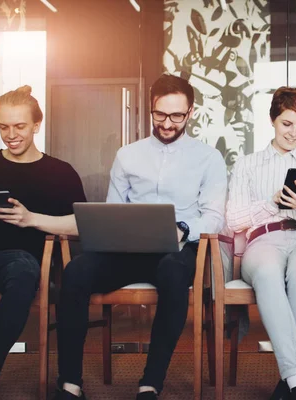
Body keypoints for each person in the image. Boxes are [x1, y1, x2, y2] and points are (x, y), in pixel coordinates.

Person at [53, 74, 227, 400]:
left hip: (179, 251)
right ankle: (70, 383)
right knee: (75, 272)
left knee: (173, 271)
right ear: (150, 109)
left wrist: (182, 228)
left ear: (190, 113)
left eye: (176, 115)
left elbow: (214, 217)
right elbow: (113, 210)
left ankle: (150, 383)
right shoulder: (127, 155)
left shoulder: (208, 158)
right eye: (160, 114)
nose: (167, 123)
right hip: (129, 252)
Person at [0, 86, 86, 400]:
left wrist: (32, 219)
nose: (11, 135)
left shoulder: (60, 172)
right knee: (22, 268)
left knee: (24, 268)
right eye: (3, 127)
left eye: (19, 126)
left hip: (26, 264)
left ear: (37, 125)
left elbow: (81, 225)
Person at [226, 87, 296, 400]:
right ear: (273, 120)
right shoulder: (248, 164)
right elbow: (234, 220)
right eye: (287, 124)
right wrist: (274, 203)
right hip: (263, 240)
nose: (294, 133)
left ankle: (291, 379)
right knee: (269, 271)